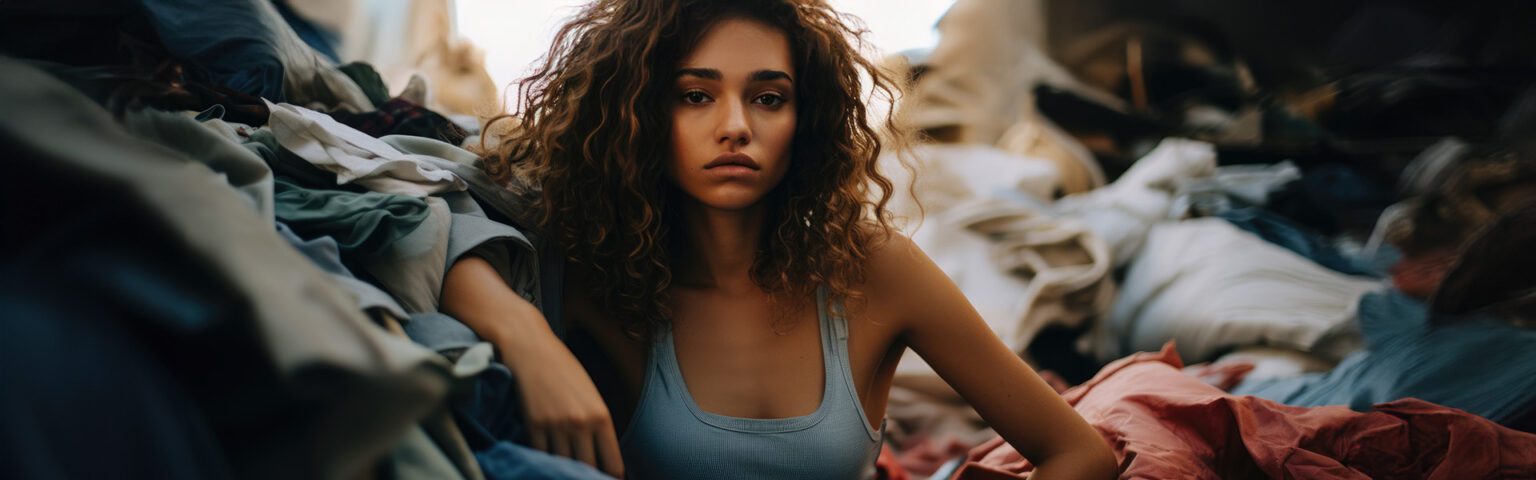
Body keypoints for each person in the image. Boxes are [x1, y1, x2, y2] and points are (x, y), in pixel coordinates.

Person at [444, 0, 1117, 478]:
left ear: (808, 116)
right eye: (695, 95)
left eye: (768, 98)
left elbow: (1080, 452)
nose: (735, 126)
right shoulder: (589, 270)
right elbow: (418, 218)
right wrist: (522, 333)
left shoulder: (872, 269)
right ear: (642, 113)